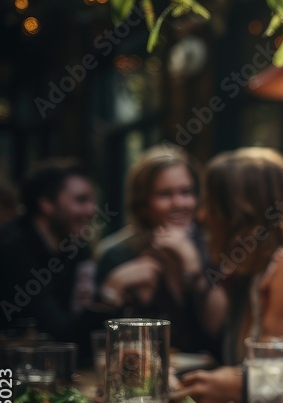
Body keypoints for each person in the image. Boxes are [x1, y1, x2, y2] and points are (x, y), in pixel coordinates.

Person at [175, 147, 283, 403]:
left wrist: (236, 387)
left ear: (242, 216)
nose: (201, 216)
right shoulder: (247, 273)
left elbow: (275, 382)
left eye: (210, 204)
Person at [95, 144, 221, 355]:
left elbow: (217, 333)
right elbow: (97, 343)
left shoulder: (213, 246)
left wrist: (193, 266)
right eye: (165, 194)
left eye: (186, 192)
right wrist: (113, 287)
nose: (179, 203)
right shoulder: (117, 252)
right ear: (142, 203)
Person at [0, 164, 103, 344]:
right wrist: (111, 292)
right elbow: (59, 334)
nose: (92, 210)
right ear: (46, 203)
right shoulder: (8, 249)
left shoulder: (74, 250)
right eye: (81, 200)